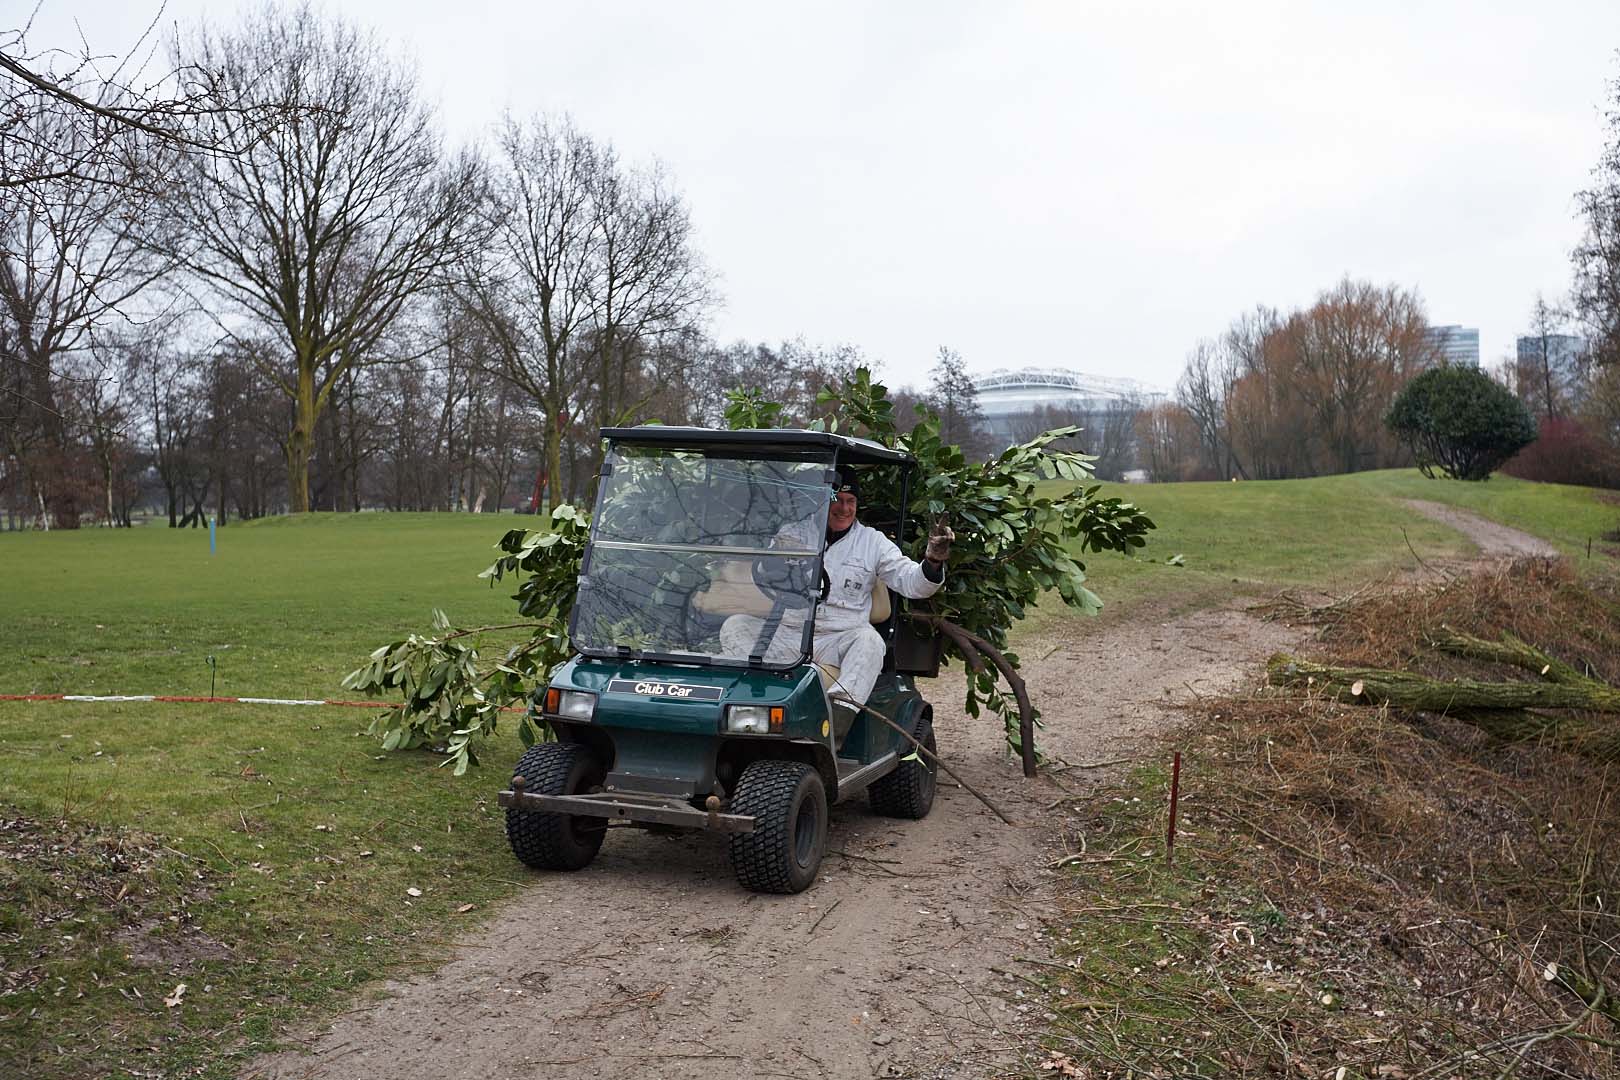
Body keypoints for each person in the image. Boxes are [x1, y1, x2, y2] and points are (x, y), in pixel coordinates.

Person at [718, 470, 954, 708]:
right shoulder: (794, 533)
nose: (844, 508)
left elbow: (912, 583)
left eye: (850, 502)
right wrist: (780, 559)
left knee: (870, 641)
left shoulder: (873, 542)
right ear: (823, 499)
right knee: (735, 626)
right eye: (837, 500)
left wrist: (933, 560)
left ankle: (839, 719)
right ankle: (751, 703)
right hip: (791, 633)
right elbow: (766, 574)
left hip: (840, 637)